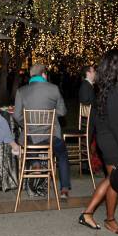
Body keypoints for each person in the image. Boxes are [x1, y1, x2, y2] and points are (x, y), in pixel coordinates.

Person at [79, 49, 118, 235]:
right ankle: (90, 213)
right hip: (111, 138)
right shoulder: (115, 89)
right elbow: (116, 123)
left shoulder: (106, 86)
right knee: (113, 179)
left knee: (113, 180)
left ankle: (107, 218)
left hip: (105, 136)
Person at [14, 64, 71, 199]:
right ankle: (64, 189)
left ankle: (35, 164)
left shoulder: (21, 91)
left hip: (32, 136)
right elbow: (62, 112)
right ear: (44, 74)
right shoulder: (54, 89)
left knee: (28, 139)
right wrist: (49, 114)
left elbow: (16, 116)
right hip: (51, 136)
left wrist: (27, 124)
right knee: (62, 155)